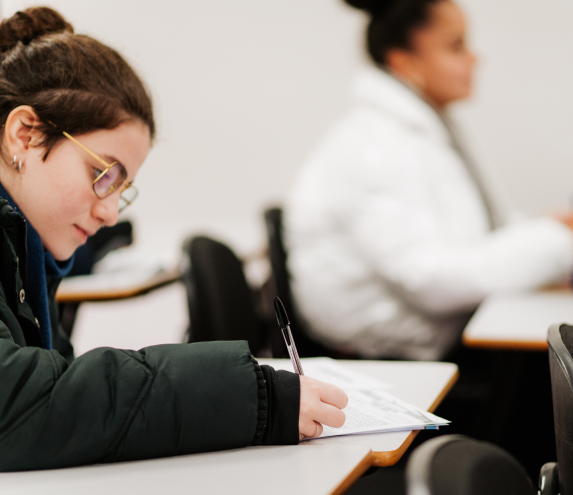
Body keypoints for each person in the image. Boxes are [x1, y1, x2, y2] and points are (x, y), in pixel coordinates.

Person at [0, 7, 348, 472]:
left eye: (122, 191)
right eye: (103, 175)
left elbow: (57, 392)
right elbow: (18, 406)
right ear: (24, 135)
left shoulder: (27, 252)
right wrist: (255, 397)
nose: (108, 213)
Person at [285, 0, 573, 361]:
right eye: (456, 46)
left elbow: (471, 238)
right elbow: (426, 280)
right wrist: (556, 242)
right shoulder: (379, 148)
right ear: (404, 62)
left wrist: (547, 229)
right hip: (387, 362)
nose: (475, 59)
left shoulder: (418, 133)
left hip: (435, 342)